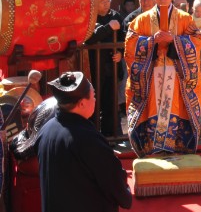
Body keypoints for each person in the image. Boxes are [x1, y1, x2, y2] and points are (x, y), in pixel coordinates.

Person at [125, 0, 201, 157]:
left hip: (177, 74)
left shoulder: (185, 18)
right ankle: (152, 147)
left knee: (175, 105)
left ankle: (178, 145)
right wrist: (151, 41)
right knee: (154, 105)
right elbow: (130, 43)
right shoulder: (141, 20)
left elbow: (196, 40)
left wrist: (174, 40)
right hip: (151, 74)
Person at [36, 71, 132, 212]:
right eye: (93, 96)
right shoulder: (87, 138)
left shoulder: (46, 129)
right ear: (81, 103)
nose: (95, 100)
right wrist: (125, 190)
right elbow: (116, 187)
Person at [82, 0, 125, 137]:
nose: (106, 4)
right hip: (94, 65)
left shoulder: (116, 16)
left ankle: (112, 135)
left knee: (111, 101)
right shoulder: (90, 17)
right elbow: (89, 38)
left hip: (111, 66)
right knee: (93, 100)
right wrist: (108, 28)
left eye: (108, 0)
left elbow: (124, 39)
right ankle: (93, 135)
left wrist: (120, 53)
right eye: (102, 1)